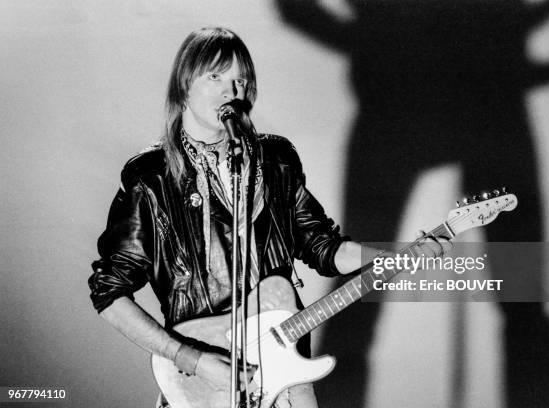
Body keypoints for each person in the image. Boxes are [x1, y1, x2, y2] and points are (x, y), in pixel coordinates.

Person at [88, 27, 447, 408]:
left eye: (240, 80)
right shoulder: (151, 178)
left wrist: (396, 257)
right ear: (184, 85)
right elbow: (109, 293)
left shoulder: (275, 161)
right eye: (215, 76)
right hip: (205, 378)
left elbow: (323, 247)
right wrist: (190, 359)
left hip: (286, 372)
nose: (232, 91)